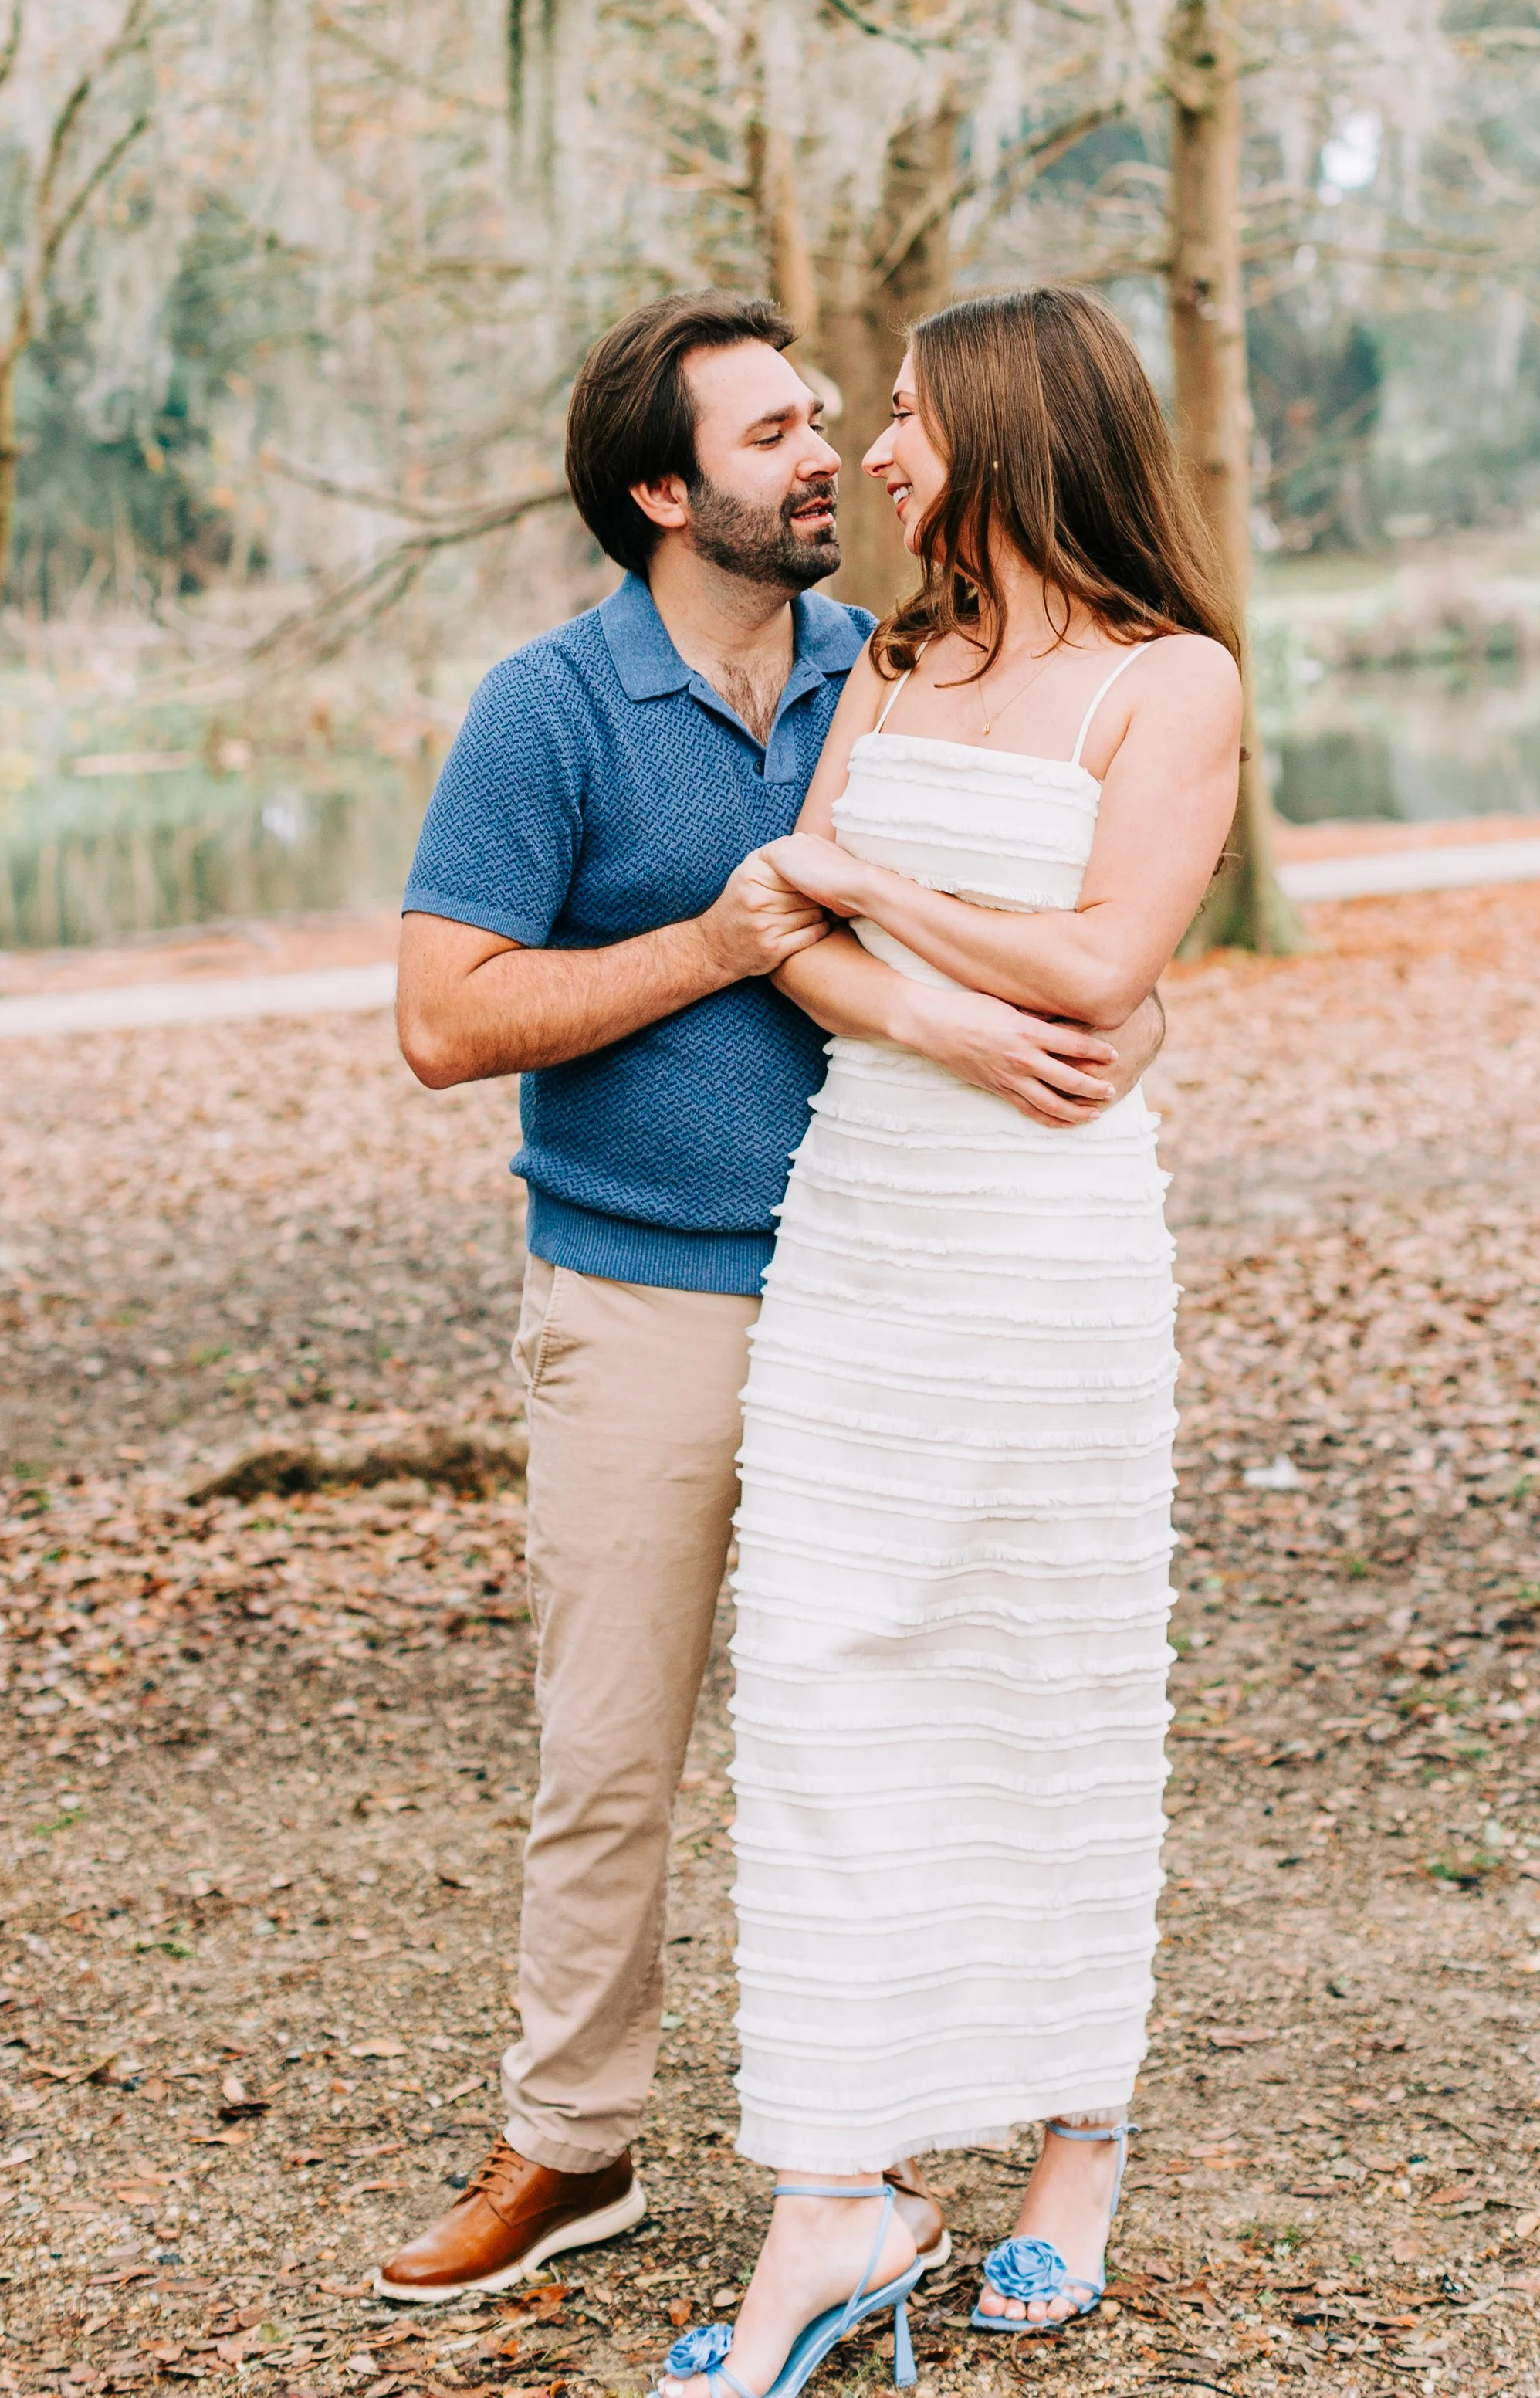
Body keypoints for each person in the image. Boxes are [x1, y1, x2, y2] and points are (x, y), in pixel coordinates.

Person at [371, 291, 1166, 2302]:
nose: (822, 454)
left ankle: (891, 2139)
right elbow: (446, 1021)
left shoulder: (898, 663)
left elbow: (1079, 917)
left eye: (831, 420)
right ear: (660, 489)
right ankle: (569, 2144)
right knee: (614, 1743)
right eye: (767, 434)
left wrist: (1115, 1020)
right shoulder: (544, 710)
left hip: (900, 1283)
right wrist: (711, 942)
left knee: (894, 1715)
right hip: (648, 1288)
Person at [657, 286, 1243, 2398]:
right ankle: (842, 2177)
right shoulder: (888, 665)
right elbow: (795, 933)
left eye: (901, 419)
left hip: (1048, 1241)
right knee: (820, 1670)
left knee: (1048, 1658)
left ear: (1004, 428)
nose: (875, 455)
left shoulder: (1172, 683)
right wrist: (927, 999)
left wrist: (862, 890)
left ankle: (1076, 2129)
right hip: (869, 1220)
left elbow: (1108, 959)